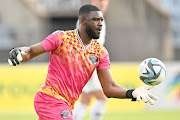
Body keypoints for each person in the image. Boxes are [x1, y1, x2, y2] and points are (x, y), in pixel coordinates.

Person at [8, 4, 158, 120]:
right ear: (83, 21)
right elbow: (31, 52)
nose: (100, 24)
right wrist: (18, 51)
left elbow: (109, 88)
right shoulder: (61, 38)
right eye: (95, 20)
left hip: (66, 104)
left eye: (101, 20)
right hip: (49, 98)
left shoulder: (100, 52)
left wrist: (132, 92)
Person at [73, 0, 109, 120]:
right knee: (102, 98)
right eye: (100, 1)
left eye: (105, 1)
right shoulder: (91, 18)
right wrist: (90, 67)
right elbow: (85, 45)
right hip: (88, 65)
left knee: (86, 100)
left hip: (85, 65)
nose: (103, 4)